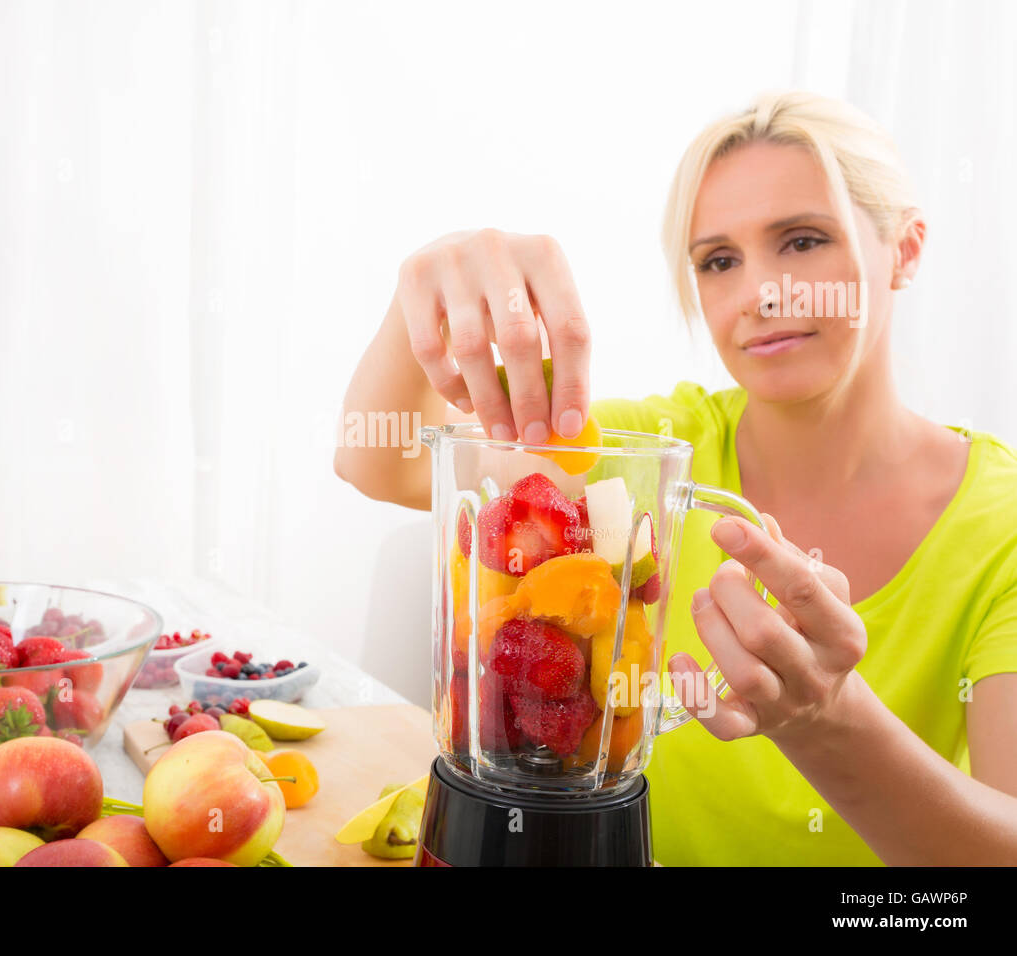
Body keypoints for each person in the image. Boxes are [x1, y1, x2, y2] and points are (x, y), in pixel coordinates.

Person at [334, 90, 1017, 865]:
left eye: (801, 241)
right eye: (718, 260)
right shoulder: (658, 451)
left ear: (907, 249)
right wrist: (424, 293)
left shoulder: (1000, 526)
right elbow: (376, 460)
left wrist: (826, 719)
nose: (761, 292)